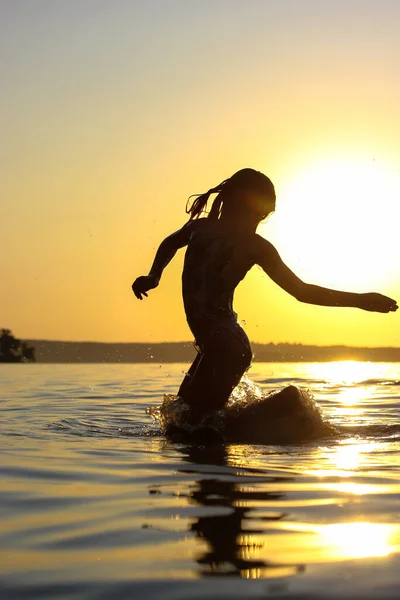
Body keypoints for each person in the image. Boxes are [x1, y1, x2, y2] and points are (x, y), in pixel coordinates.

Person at [132, 168, 398, 419]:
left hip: (226, 344)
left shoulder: (256, 247)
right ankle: (288, 407)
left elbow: (301, 291)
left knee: (193, 423)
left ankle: (291, 407)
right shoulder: (198, 229)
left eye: (263, 215)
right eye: (256, 212)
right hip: (216, 342)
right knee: (183, 418)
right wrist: (154, 275)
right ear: (236, 201)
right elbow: (170, 242)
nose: (258, 221)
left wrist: (361, 300)